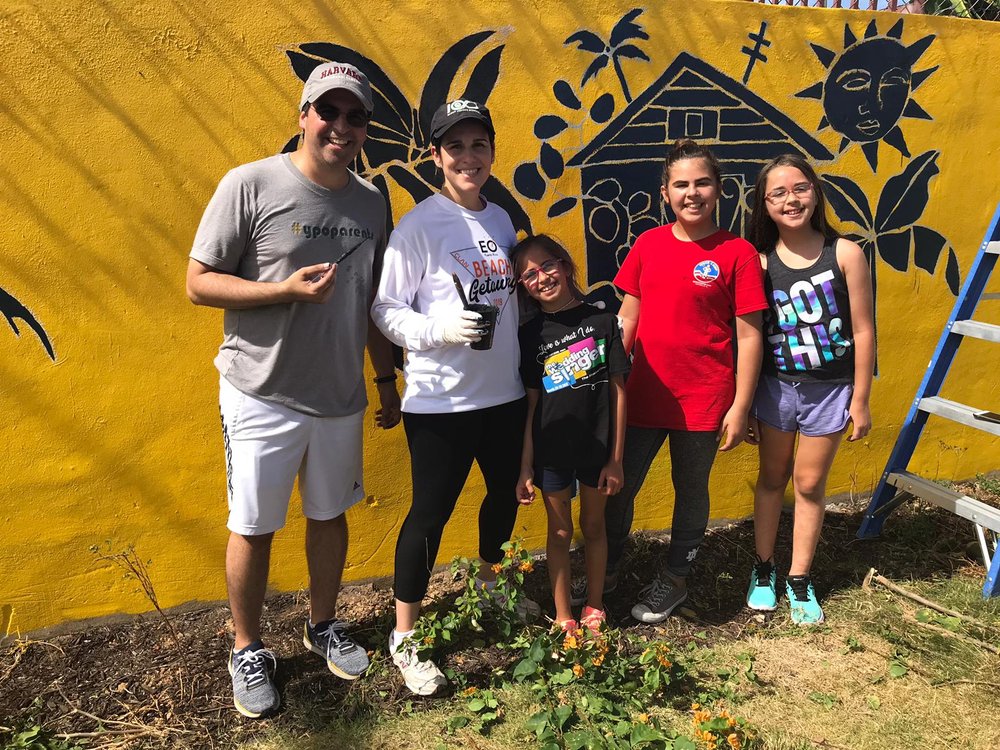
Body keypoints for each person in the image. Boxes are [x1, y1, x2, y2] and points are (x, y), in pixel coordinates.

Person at [186, 62, 401, 718]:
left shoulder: (371, 201)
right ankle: (247, 647)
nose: (340, 126)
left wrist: (385, 377)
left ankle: (322, 623)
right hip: (262, 390)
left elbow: (370, 301)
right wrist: (282, 290)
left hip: (338, 394)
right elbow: (198, 282)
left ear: (366, 129)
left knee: (328, 515)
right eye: (327, 112)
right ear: (302, 115)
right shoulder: (249, 184)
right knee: (253, 525)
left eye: (354, 117)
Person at [371, 100, 537, 696]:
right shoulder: (420, 224)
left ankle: (492, 587)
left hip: (504, 395)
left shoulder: (500, 221)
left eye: (479, 145)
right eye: (456, 147)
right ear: (437, 156)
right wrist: (437, 332)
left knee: (500, 499)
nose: (469, 157)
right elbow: (385, 308)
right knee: (430, 515)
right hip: (440, 403)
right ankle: (405, 638)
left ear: (492, 152)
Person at [586, 139, 767, 624]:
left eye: (702, 182)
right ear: (665, 192)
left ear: (720, 189)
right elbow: (628, 318)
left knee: (691, 490)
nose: (692, 193)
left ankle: (676, 578)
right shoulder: (648, 245)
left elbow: (749, 336)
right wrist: (605, 382)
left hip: (705, 399)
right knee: (618, 489)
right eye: (681, 184)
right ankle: (608, 569)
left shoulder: (738, 253)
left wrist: (741, 405)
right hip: (641, 396)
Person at [745, 154, 874, 625]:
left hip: (830, 391)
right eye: (777, 192)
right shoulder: (757, 262)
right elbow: (749, 335)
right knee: (772, 480)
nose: (790, 199)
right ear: (764, 204)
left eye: (799, 188)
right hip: (776, 390)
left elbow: (863, 330)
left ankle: (799, 577)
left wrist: (860, 399)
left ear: (815, 192)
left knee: (809, 483)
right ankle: (763, 570)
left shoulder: (845, 253)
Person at [512, 235, 629, 633]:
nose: (541, 277)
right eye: (529, 274)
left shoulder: (603, 321)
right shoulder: (529, 336)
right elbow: (530, 406)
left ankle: (594, 607)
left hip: (596, 450)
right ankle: (563, 617)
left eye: (547, 266)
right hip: (550, 453)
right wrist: (525, 466)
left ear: (564, 265)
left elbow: (618, 394)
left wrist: (616, 458)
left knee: (594, 527)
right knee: (559, 531)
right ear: (523, 286)